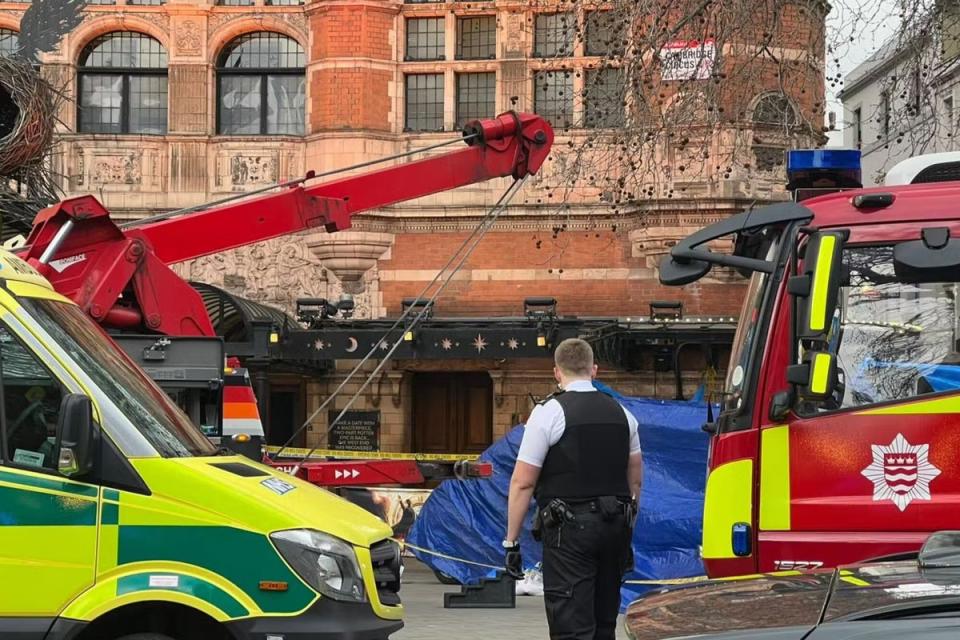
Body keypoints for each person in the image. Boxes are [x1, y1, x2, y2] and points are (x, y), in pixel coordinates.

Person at [504, 338, 642, 640]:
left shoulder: (548, 413)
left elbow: (523, 481)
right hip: (615, 527)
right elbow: (636, 480)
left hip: (570, 532)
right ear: (594, 370)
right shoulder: (624, 415)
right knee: (604, 623)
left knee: (571, 626)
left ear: (556, 371)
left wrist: (511, 542)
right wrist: (627, 529)